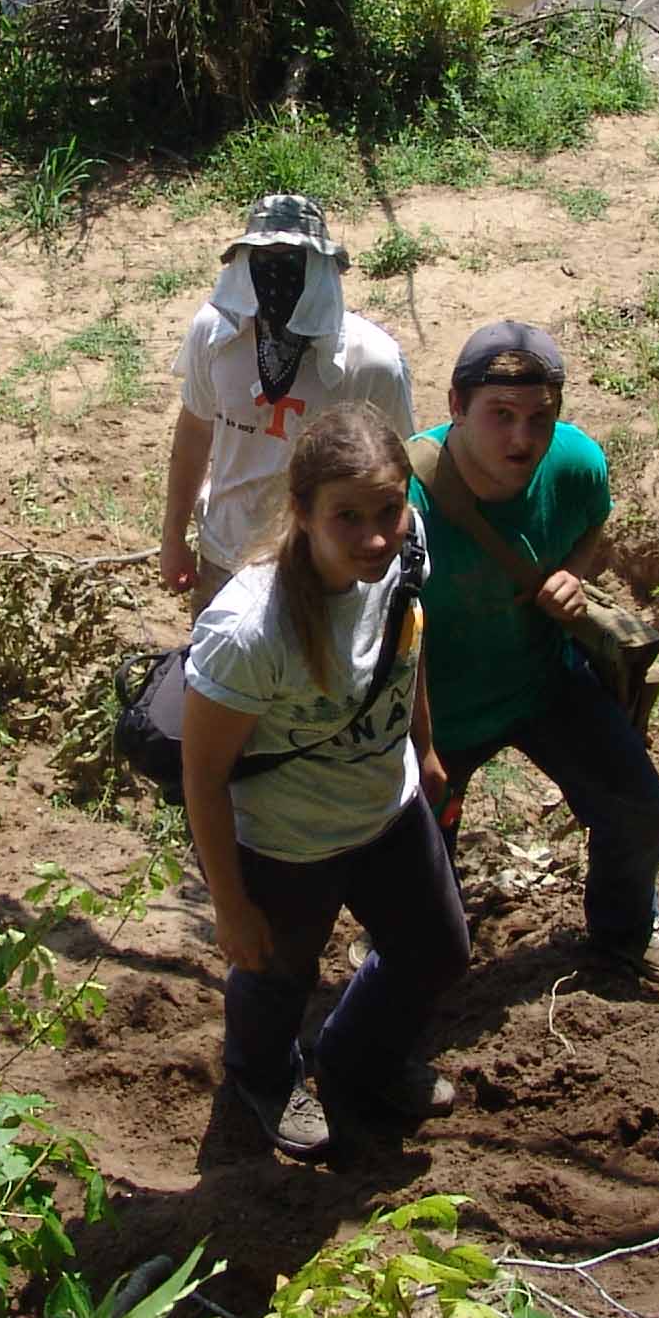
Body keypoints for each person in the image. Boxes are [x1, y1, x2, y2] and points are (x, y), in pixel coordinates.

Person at [181, 405, 467, 1158]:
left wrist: (425, 748)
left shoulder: (406, 550)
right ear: (303, 512)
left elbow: (407, 648)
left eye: (388, 511)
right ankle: (264, 1078)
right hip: (287, 844)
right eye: (348, 517)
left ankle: (357, 1059)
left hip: (388, 812)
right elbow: (203, 777)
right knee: (277, 976)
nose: (374, 537)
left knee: (437, 952)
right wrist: (231, 906)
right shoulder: (249, 631)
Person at [411, 320, 659, 995]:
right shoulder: (404, 497)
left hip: (541, 680)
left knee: (639, 809)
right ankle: (408, 941)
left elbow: (593, 521)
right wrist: (419, 744)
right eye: (501, 415)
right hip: (438, 709)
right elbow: (387, 632)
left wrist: (573, 571)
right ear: (456, 406)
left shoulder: (575, 463)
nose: (522, 438)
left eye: (539, 418)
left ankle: (627, 928)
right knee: (417, 875)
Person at [161, 194, 413, 613]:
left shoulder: (372, 361)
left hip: (327, 568)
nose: (277, 277)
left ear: (319, 270)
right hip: (226, 556)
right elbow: (195, 432)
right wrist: (172, 538)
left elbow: (401, 473)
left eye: (294, 263)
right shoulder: (215, 336)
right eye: (264, 261)